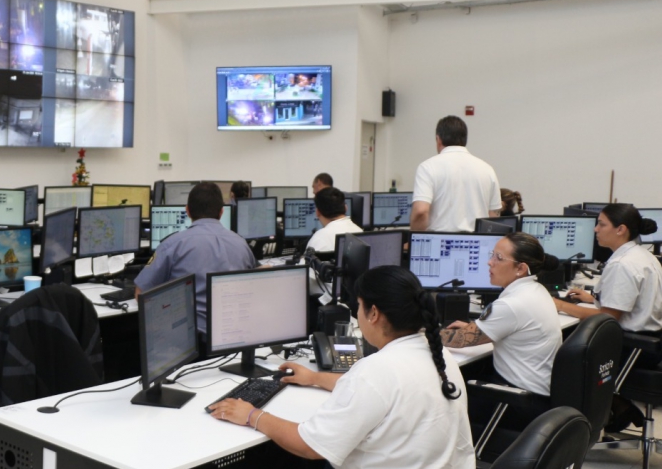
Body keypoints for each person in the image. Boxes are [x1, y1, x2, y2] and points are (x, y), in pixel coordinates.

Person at [208, 266, 474, 468]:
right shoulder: (436, 353)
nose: (356, 313)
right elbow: (383, 393)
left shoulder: (376, 371)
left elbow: (309, 446)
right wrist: (315, 378)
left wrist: (252, 415)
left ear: (373, 313)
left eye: (358, 306)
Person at [554, 203, 662, 431]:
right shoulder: (641, 255)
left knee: (559, 353)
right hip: (648, 343)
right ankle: (615, 406)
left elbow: (606, 318)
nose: (596, 229)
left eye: (601, 224)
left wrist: (559, 305)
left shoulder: (622, 264)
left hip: (631, 348)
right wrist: (593, 297)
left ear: (620, 229)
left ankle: (596, 416)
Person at [440, 232, 562, 397]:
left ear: (520, 268)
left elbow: (459, 340)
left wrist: (421, 333)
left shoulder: (511, 304)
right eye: (492, 255)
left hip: (519, 398)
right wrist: (480, 328)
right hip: (538, 390)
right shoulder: (536, 289)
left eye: (499, 258)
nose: (489, 262)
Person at [133, 182, 256, 331]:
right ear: (221, 212)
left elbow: (141, 293)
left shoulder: (172, 244)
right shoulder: (241, 244)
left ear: (188, 211)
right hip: (234, 335)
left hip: (188, 339)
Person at [410, 116, 501, 232]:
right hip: (477, 240)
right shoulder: (487, 169)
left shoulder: (427, 167)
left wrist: (414, 238)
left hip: (439, 240)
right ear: (465, 139)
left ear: (438, 139)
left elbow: (420, 211)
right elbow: (493, 215)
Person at [305, 187, 363, 253]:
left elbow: (306, 259)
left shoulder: (319, 239)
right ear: (346, 208)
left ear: (317, 212)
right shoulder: (361, 232)